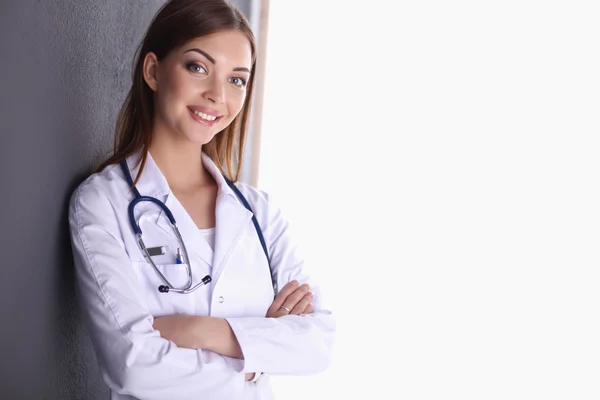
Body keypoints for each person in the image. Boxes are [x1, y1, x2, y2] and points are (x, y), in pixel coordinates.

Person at [67, 0, 336, 398]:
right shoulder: (102, 202)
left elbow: (318, 342)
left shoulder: (259, 213)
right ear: (154, 71)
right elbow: (134, 365)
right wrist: (253, 361)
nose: (217, 95)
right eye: (198, 67)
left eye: (237, 80)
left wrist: (199, 330)